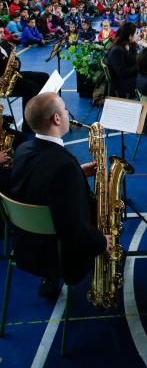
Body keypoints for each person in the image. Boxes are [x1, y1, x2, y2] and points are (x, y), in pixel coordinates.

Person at [9, 93, 111, 297]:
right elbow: (72, 229)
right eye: (64, 109)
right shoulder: (63, 167)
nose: (67, 113)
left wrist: (77, 173)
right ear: (56, 119)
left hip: (26, 247)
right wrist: (102, 242)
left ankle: (49, 279)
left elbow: (38, 181)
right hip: (60, 256)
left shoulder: (23, 148)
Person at [0, 26, 49, 133]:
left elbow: (16, 59)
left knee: (44, 77)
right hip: (3, 85)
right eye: (0, 33)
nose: (3, 35)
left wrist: (17, 64)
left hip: (13, 75)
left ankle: (41, 113)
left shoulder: (5, 45)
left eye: (3, 32)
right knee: (32, 88)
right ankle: (28, 125)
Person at [105, 22, 138, 97]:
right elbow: (122, 73)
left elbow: (134, 60)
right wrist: (139, 66)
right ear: (130, 36)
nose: (137, 35)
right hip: (121, 82)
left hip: (127, 77)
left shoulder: (129, 45)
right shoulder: (117, 50)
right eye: (136, 33)